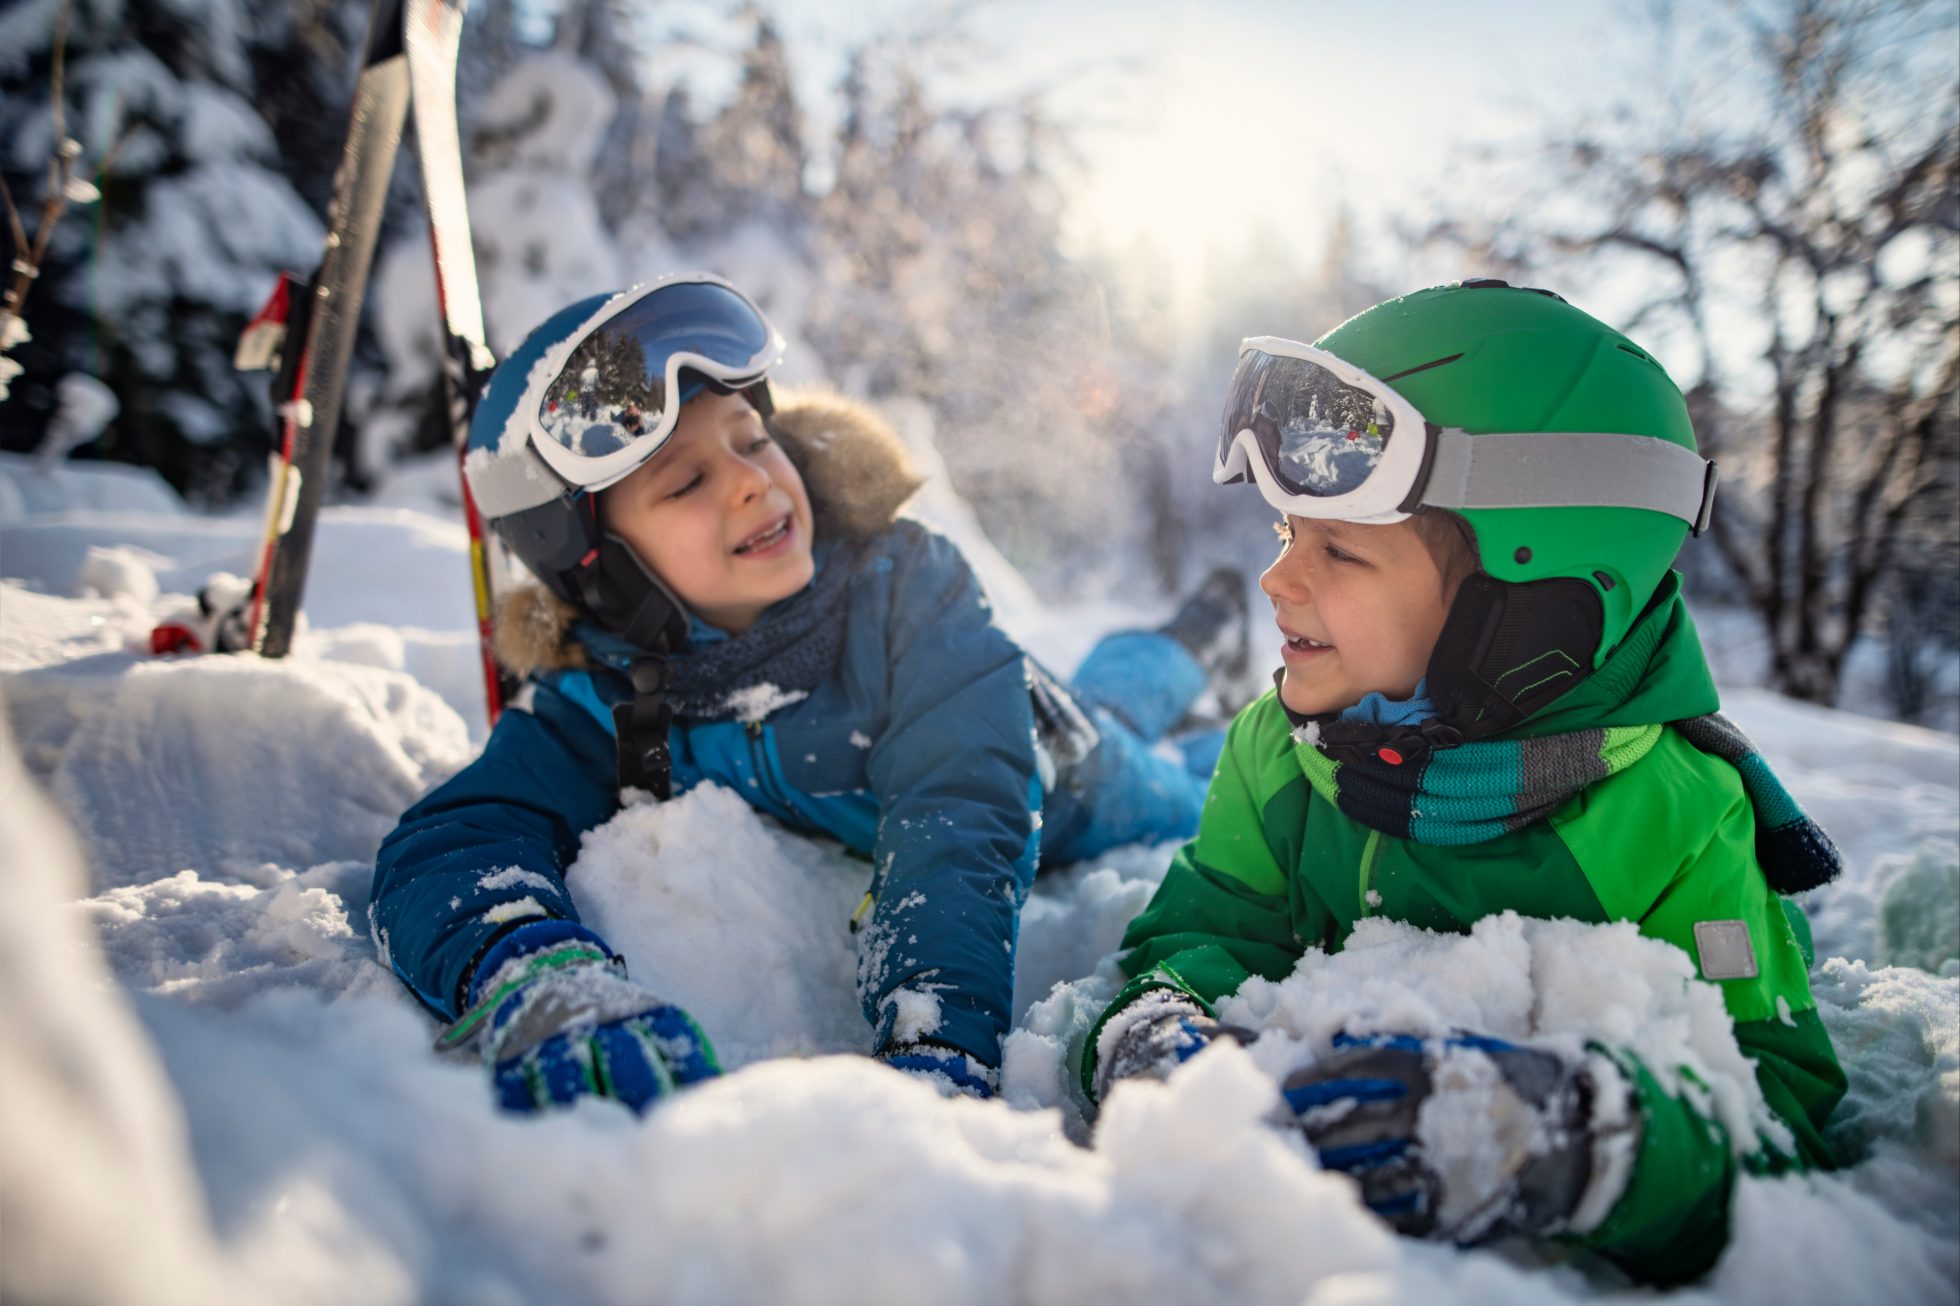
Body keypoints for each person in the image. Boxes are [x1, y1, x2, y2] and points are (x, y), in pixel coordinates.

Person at [1083, 281, 1846, 1285]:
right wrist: (1155, 1034)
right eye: (1283, 533)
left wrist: (1576, 1139)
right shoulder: (1279, 748)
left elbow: (1776, 1104)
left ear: (1524, 607)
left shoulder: (1676, 820)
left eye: (1339, 548)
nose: (1280, 578)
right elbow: (1201, 932)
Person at [372, 273, 1247, 1114]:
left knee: (1176, 772)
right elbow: (456, 839)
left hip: (1062, 766)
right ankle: (1193, 636)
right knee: (1119, 698)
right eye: (684, 481)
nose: (752, 477)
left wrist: (934, 1027)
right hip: (1019, 730)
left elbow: (958, 804)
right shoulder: (603, 692)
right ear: (595, 564)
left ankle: (1204, 654)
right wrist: (533, 971)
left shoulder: (903, 587)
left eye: (752, 439)